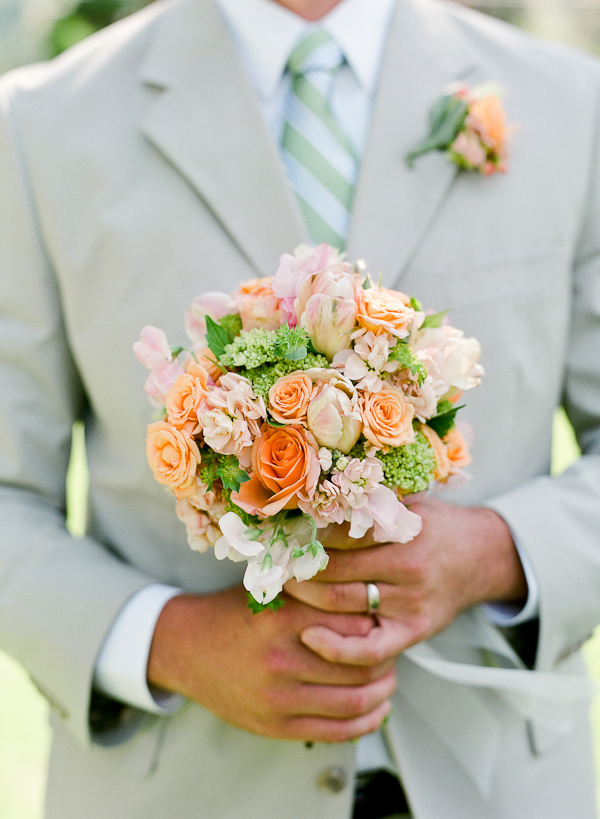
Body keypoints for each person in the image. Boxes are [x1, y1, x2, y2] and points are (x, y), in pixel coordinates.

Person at [1, 0, 600, 816]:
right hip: (187, 786)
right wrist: (170, 641)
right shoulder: (40, 126)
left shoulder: (572, 103)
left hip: (499, 783)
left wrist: (496, 555)